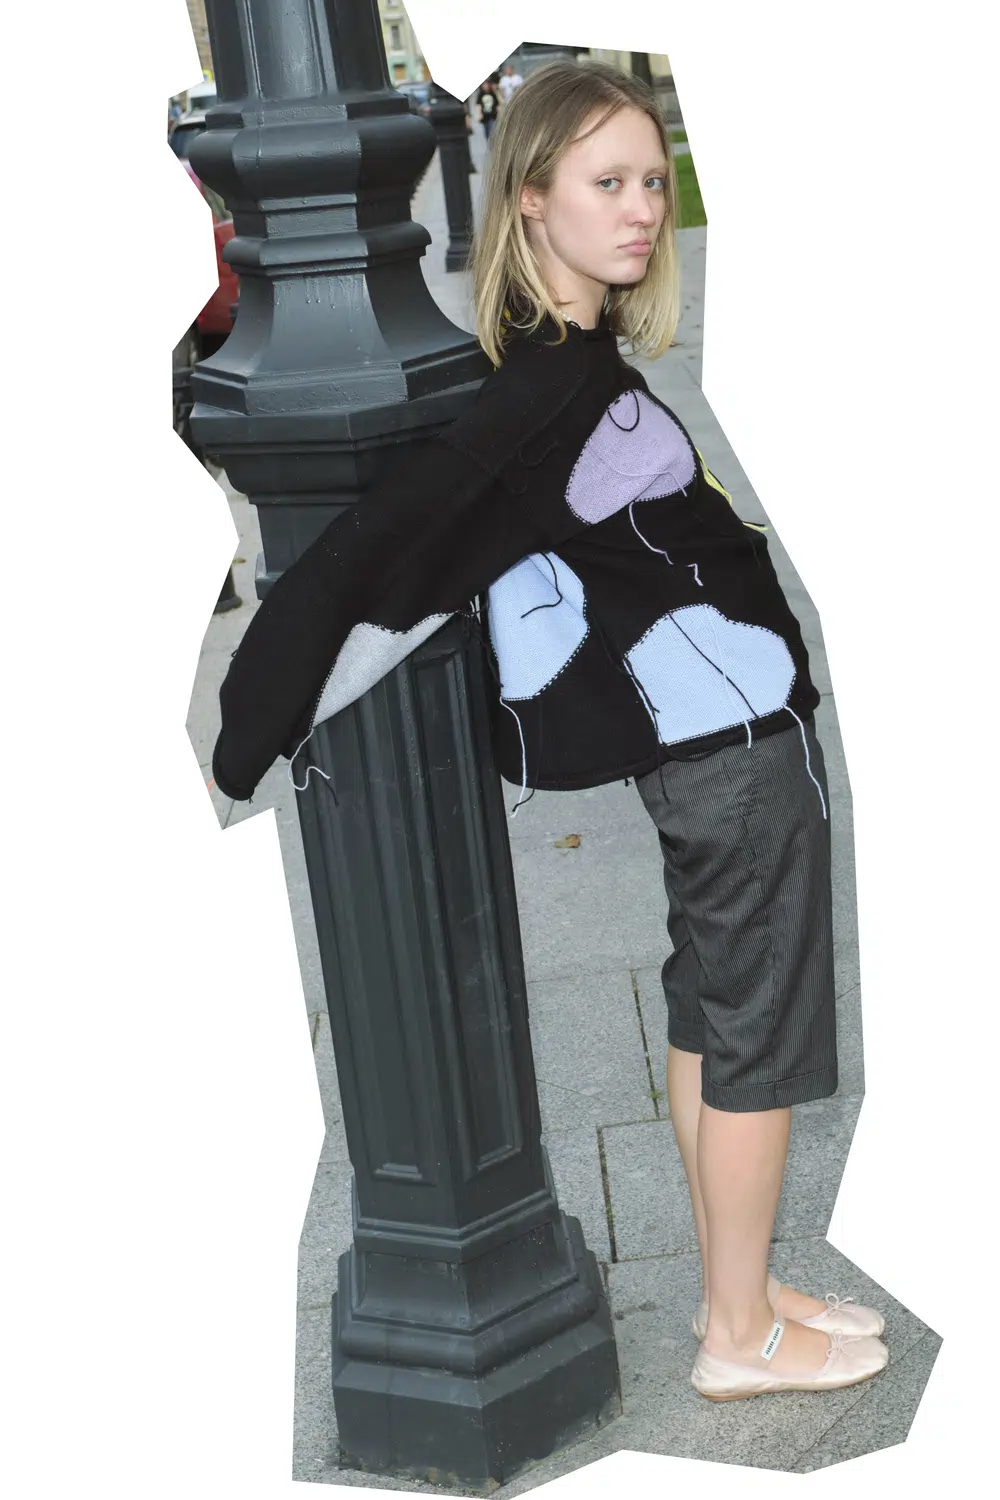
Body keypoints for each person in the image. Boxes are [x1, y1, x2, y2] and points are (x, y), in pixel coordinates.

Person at [210, 60, 889, 1404]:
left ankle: (742, 1289)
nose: (641, 209)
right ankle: (739, 1338)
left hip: (723, 745)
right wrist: (249, 729)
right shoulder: (539, 393)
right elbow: (380, 554)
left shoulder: (565, 362)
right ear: (529, 199)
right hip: (734, 756)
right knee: (755, 1040)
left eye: (650, 180)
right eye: (606, 183)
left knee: (711, 1014)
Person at [476, 78, 500, 142]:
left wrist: (498, 113)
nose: (485, 86)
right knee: (486, 131)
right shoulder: (481, 94)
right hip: (484, 116)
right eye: (483, 85)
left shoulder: (492, 94)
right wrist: (479, 114)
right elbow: (478, 105)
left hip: (492, 114)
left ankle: (492, 141)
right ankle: (489, 142)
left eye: (486, 84)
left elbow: (497, 104)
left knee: (491, 129)